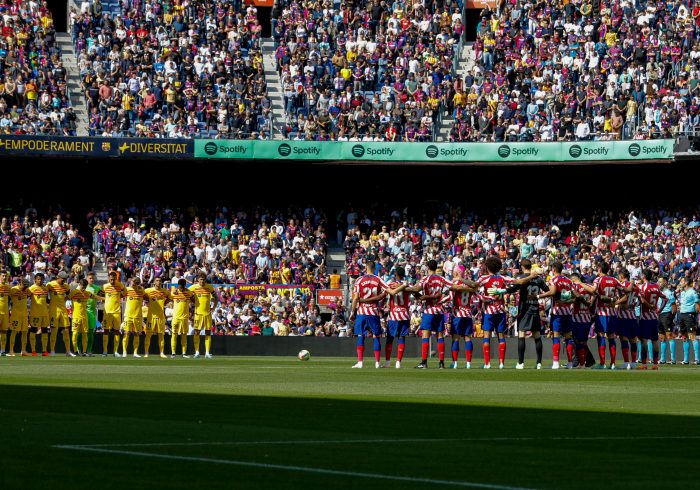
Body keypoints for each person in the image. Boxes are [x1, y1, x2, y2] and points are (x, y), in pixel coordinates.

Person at [492, 259, 547, 369]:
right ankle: (539, 363)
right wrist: (538, 297)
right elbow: (547, 290)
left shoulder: (521, 278)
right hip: (535, 308)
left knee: (521, 334)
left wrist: (500, 291)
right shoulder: (538, 279)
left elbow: (513, 289)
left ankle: (521, 363)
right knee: (537, 335)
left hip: (524, 308)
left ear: (522, 266)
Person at [350, 260, 405, 368]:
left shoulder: (359, 280)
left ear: (366, 267)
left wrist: (352, 312)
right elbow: (390, 291)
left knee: (361, 335)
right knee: (376, 336)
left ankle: (360, 362)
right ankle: (377, 363)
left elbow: (356, 297)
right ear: (374, 268)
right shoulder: (378, 279)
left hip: (362, 312)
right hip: (374, 312)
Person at [537, 261, 575, 369]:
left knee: (556, 335)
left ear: (554, 269)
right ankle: (570, 363)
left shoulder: (553, 279)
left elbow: (552, 292)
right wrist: (566, 301)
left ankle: (556, 363)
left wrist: (539, 296)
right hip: (567, 311)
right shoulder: (568, 280)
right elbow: (574, 296)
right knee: (568, 337)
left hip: (557, 311)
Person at [591, 262, 626, 369]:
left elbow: (593, 291)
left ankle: (602, 363)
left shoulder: (598, 280)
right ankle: (613, 364)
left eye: (597, 268)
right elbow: (624, 294)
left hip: (601, 312)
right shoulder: (615, 280)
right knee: (611, 337)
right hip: (612, 313)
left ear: (600, 269)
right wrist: (616, 302)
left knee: (601, 336)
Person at [634, 270, 668, 370]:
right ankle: (655, 364)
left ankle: (644, 364)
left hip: (645, 317)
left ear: (643, 276)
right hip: (654, 317)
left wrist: (649, 306)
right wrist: (659, 310)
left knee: (643, 340)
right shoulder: (656, 287)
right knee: (654, 341)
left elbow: (642, 301)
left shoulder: (642, 287)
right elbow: (665, 299)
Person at [448, 265, 478, 369]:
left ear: (457, 273)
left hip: (458, 313)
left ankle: (455, 363)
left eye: (454, 272)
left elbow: (450, 297)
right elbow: (475, 288)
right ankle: (468, 363)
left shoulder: (455, 283)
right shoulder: (469, 283)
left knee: (455, 337)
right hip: (468, 313)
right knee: (467, 338)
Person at [384, 266, 411, 368]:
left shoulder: (391, 284)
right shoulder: (408, 285)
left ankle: (387, 362)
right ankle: (398, 362)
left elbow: (385, 294)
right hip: (404, 314)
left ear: (395, 275)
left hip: (394, 315)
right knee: (402, 337)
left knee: (390, 338)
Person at [69, 279, 104, 356]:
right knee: (75, 334)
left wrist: (105, 299)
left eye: (85, 287)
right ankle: (75, 351)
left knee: (85, 333)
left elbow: (95, 296)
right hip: (76, 317)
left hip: (84, 317)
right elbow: (66, 299)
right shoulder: (74, 292)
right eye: (82, 286)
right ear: (79, 285)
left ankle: (84, 351)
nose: (84, 288)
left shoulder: (87, 293)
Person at [569, 273, 595, 368]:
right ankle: (583, 362)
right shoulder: (588, 286)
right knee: (583, 341)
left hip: (577, 317)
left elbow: (574, 298)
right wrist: (590, 302)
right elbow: (594, 295)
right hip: (587, 317)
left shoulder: (574, 286)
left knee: (578, 341)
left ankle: (581, 363)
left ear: (573, 279)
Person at [189, 273, 218, 359]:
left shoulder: (209, 287)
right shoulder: (193, 287)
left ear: (205, 279)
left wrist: (213, 308)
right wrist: (192, 301)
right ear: (198, 280)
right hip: (198, 314)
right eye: (201, 279)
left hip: (207, 314)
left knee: (208, 332)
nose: (202, 281)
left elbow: (216, 297)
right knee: (197, 332)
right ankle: (197, 352)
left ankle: (207, 353)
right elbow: (186, 293)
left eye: (203, 279)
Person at [144, 276, 172, 358]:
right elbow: (143, 296)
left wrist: (164, 303)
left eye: (160, 280)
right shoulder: (148, 290)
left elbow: (170, 298)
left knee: (161, 335)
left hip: (160, 317)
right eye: (157, 280)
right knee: (148, 334)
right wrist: (148, 301)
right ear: (154, 282)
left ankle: (162, 353)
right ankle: (146, 352)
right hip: (151, 317)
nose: (158, 282)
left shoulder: (165, 291)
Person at [47, 271, 72, 356]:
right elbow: (44, 293)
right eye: (63, 279)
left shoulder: (66, 286)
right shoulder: (50, 284)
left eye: (65, 279)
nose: (64, 281)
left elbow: (69, 295)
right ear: (58, 277)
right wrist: (48, 301)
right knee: (54, 331)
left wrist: (64, 300)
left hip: (63, 310)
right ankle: (52, 351)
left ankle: (68, 351)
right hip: (53, 310)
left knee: (66, 330)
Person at [102, 271, 125, 356]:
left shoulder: (120, 285)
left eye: (114, 279)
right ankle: (105, 351)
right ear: (108, 278)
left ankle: (115, 351)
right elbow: (100, 296)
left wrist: (119, 297)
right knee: (106, 331)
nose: (112, 281)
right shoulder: (104, 286)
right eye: (111, 279)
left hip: (117, 312)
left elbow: (125, 293)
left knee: (116, 331)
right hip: (107, 312)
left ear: (116, 278)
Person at [677, 278, 700, 365]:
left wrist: (695, 317)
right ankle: (686, 360)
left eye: (682, 281)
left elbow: (697, 306)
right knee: (684, 337)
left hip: (689, 315)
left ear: (686, 282)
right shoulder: (682, 292)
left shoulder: (693, 292)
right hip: (682, 314)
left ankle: (697, 359)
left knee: (692, 336)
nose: (680, 283)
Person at [122, 277, 146, 357]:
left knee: (137, 334)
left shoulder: (141, 291)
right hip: (128, 315)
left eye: (134, 283)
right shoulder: (127, 289)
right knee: (126, 333)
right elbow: (120, 295)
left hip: (138, 316)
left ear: (137, 284)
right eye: (132, 282)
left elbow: (146, 296)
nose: (132, 284)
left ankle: (135, 353)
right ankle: (124, 352)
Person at [28, 273, 50, 356]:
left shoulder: (45, 288)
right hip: (35, 313)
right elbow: (25, 298)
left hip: (44, 313)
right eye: (38, 279)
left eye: (41, 279)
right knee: (33, 330)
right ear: (35, 279)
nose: (40, 280)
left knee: (45, 331)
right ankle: (33, 351)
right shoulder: (31, 288)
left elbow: (47, 300)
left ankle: (44, 351)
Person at [171, 279, 194, 358]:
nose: (181, 288)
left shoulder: (188, 293)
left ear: (184, 286)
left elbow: (194, 300)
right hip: (176, 317)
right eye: (180, 286)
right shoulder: (174, 292)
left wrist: (191, 311)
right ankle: (173, 353)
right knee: (174, 334)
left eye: (182, 286)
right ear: (178, 285)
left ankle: (184, 353)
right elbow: (168, 297)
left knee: (184, 335)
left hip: (184, 318)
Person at [657, 277, 677, 364]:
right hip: (660, 315)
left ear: (665, 282)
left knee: (670, 336)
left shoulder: (669, 293)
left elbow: (674, 307)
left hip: (667, 315)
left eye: (660, 282)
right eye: (658, 282)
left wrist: (672, 318)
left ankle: (673, 359)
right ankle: (663, 359)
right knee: (661, 337)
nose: (659, 283)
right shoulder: (659, 293)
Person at [8, 280, 30, 356]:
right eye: (24, 285)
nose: (25, 287)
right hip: (15, 314)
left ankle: (23, 350)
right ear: (19, 284)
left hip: (24, 314)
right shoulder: (13, 289)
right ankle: (11, 350)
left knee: (25, 332)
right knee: (13, 332)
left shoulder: (27, 290)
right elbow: (7, 298)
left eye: (27, 285)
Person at [81, 271, 101, 355]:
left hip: (92, 313)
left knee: (90, 332)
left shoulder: (97, 288)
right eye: (90, 278)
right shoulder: (83, 288)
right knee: (81, 332)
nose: (92, 280)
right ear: (86, 279)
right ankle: (79, 350)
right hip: (83, 312)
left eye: (93, 278)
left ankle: (88, 350)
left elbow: (102, 296)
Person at [0, 272, 10, 355]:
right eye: (2, 276)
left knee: (4, 331)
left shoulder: (7, 286)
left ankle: (2, 350)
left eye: (5, 276)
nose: (4, 277)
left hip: (5, 313)